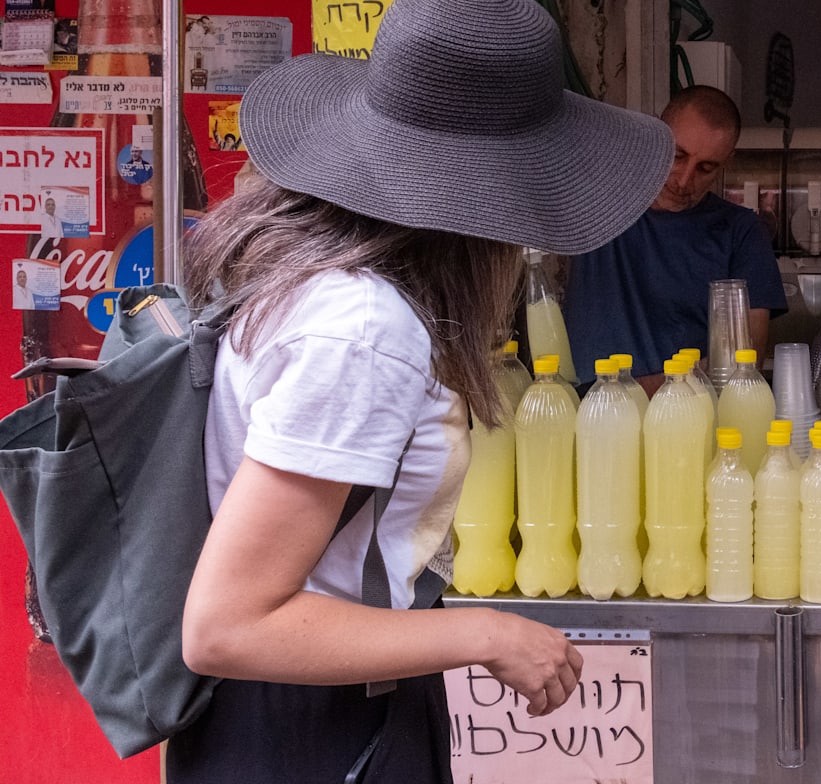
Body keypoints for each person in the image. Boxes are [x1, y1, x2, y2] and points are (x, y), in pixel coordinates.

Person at [167, 1, 672, 782]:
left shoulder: (327, 284)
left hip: (319, 707)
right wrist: (489, 636)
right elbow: (230, 624)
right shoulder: (363, 327)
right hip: (312, 729)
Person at [562, 84, 786, 392]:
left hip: (688, 428)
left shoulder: (742, 233)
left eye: (705, 168)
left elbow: (740, 370)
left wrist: (626, 393)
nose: (684, 180)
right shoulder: (596, 200)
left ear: (727, 163)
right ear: (655, 134)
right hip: (583, 426)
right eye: (677, 155)